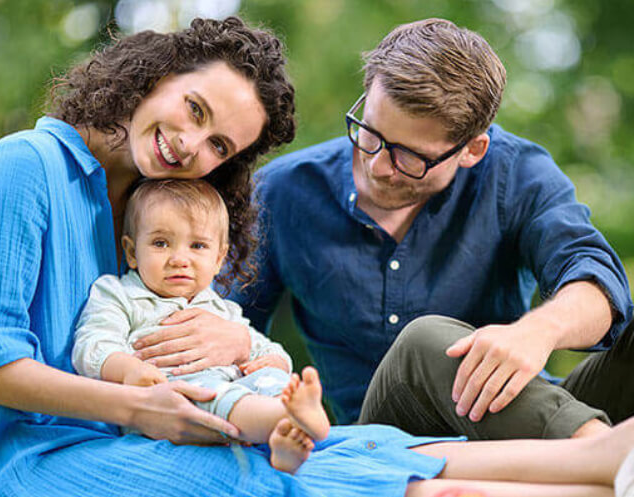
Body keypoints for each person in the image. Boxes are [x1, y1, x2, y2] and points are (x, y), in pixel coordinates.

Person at [0, 16, 634, 497]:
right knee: (270, 481)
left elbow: (595, 275)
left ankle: (604, 457)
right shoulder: (24, 169)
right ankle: (603, 494)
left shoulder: (135, 206)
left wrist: (245, 374)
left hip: (128, 436)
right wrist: (141, 403)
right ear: (157, 72)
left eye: (219, 144)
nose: (190, 145)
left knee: (344, 446)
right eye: (194, 110)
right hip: (37, 463)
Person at [142, 18, 634, 439]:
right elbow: (212, 319)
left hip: (525, 420)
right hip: (383, 442)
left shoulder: (514, 172)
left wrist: (538, 331)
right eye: (371, 133)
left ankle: (588, 453)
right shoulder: (284, 192)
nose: (378, 165)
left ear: (471, 150)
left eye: (410, 157)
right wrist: (239, 343)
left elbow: (599, 286)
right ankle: (604, 455)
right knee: (427, 341)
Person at [71, 177, 327, 473]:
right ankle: (285, 419)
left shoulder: (220, 307)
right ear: (131, 252)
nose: (180, 259)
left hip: (233, 391)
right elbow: (92, 344)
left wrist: (274, 361)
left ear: (219, 259)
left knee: (269, 377)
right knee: (208, 392)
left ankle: (285, 444)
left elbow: (257, 345)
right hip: (172, 398)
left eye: (197, 246)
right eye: (160, 243)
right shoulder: (119, 294)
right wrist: (128, 369)